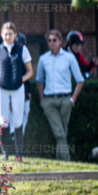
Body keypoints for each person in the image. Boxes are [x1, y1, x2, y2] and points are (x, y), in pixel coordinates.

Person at [35, 29, 85, 161]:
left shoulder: (69, 58)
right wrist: (42, 100)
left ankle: (59, 160)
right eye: (49, 40)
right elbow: (39, 80)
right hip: (49, 101)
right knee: (59, 132)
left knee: (62, 132)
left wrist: (73, 99)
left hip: (65, 99)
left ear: (60, 41)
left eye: (54, 40)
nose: (52, 43)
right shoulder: (43, 59)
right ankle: (66, 160)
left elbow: (80, 80)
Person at [0, 22, 33, 161]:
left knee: (18, 120)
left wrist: (21, 79)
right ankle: (5, 153)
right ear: (2, 35)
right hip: (1, 89)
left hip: (18, 88)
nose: (8, 36)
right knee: (3, 120)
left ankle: (19, 154)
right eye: (5, 34)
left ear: (15, 35)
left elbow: (30, 71)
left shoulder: (22, 49)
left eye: (10, 34)